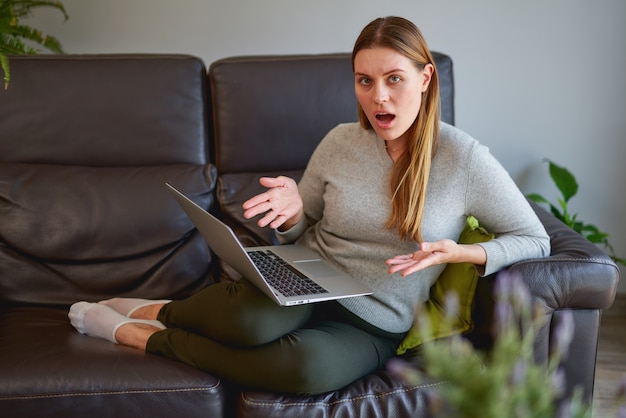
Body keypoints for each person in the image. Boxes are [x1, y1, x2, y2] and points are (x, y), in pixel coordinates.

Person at [68, 16, 550, 395]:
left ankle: (138, 334)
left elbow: (535, 239)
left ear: (426, 79)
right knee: (247, 322)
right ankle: (165, 312)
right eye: (364, 81)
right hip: (304, 276)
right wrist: (295, 210)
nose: (377, 97)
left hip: (374, 317)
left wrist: (462, 253)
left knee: (304, 369)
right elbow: (303, 228)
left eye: (394, 79)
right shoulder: (341, 141)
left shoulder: (463, 158)